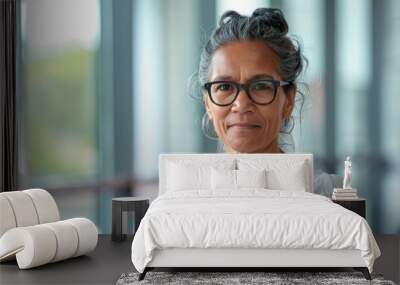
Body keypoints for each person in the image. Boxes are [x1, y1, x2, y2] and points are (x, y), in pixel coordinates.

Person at [196, 8, 341, 197]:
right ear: (208, 104)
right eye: (224, 87)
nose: (241, 104)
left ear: (288, 100)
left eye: (261, 86)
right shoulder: (187, 196)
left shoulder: (327, 196)